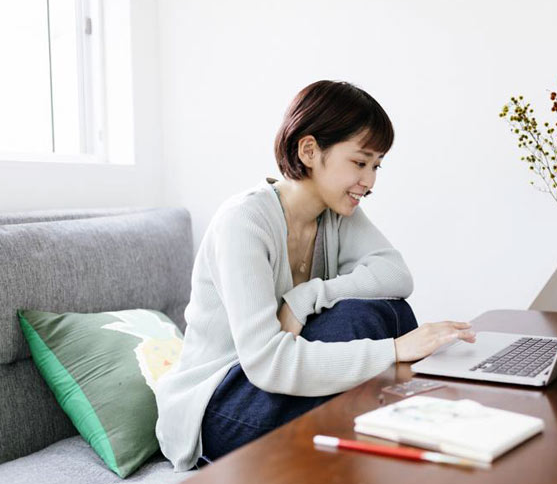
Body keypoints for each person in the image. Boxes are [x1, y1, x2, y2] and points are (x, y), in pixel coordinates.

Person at [154, 80, 476, 471]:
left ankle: (400, 425)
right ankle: (398, 413)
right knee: (362, 320)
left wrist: (307, 295)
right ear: (309, 151)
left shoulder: (336, 215)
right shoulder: (244, 222)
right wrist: (394, 352)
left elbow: (396, 275)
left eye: (376, 166)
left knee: (388, 310)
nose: (370, 182)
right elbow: (267, 363)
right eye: (360, 163)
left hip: (272, 390)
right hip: (217, 408)